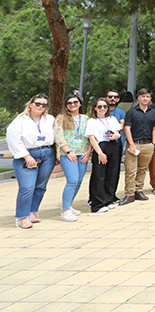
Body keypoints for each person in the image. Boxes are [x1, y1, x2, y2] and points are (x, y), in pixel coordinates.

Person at [7, 94, 55, 229]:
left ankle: (32, 211)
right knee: (27, 187)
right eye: (37, 104)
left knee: (41, 186)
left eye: (44, 105)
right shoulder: (20, 121)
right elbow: (13, 139)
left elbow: (58, 135)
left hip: (48, 153)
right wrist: (26, 156)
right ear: (30, 105)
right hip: (28, 154)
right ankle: (22, 217)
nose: (40, 107)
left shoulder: (50, 119)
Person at [54, 94, 91, 222]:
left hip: (83, 153)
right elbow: (58, 136)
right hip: (68, 154)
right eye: (69, 103)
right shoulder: (61, 118)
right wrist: (68, 151)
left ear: (80, 104)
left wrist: (89, 151)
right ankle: (65, 210)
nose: (73, 104)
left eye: (75, 102)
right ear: (66, 106)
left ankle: (69, 205)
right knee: (72, 180)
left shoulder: (86, 118)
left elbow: (91, 135)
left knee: (79, 180)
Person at [122, 88, 155, 205]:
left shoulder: (153, 112)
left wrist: (153, 143)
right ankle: (129, 193)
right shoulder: (132, 112)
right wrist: (131, 144)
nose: (145, 99)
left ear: (150, 98)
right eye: (143, 96)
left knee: (143, 170)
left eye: (147, 96)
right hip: (134, 145)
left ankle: (138, 190)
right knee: (130, 170)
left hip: (148, 145)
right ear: (138, 98)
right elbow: (127, 128)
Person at [86, 97, 123, 213]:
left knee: (112, 174)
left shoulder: (112, 119)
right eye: (99, 106)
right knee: (99, 175)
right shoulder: (92, 121)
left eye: (105, 106)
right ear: (95, 108)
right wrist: (100, 153)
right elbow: (92, 138)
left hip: (113, 145)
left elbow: (118, 132)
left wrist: (116, 136)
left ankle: (108, 199)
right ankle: (97, 203)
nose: (102, 109)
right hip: (100, 146)